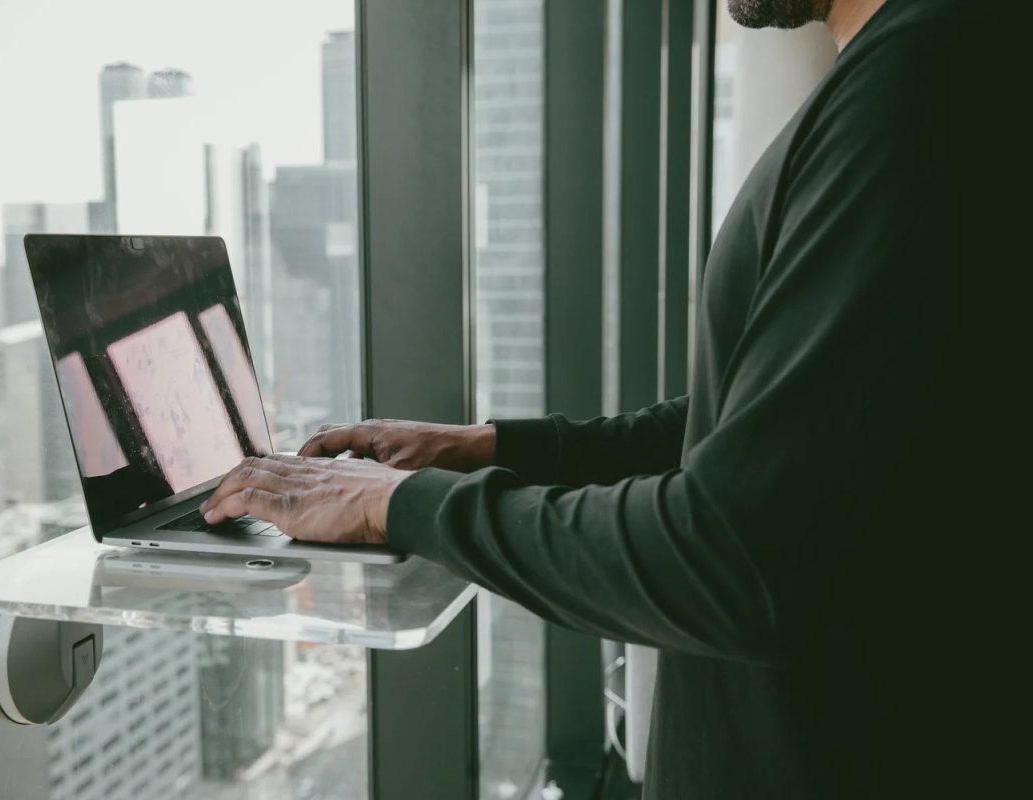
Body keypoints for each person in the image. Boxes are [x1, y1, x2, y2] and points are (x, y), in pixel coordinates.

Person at [201, 0, 1023, 796]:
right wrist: (493, 447)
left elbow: (735, 557)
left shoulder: (922, 86)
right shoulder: (926, 66)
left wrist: (399, 505)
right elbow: (764, 423)